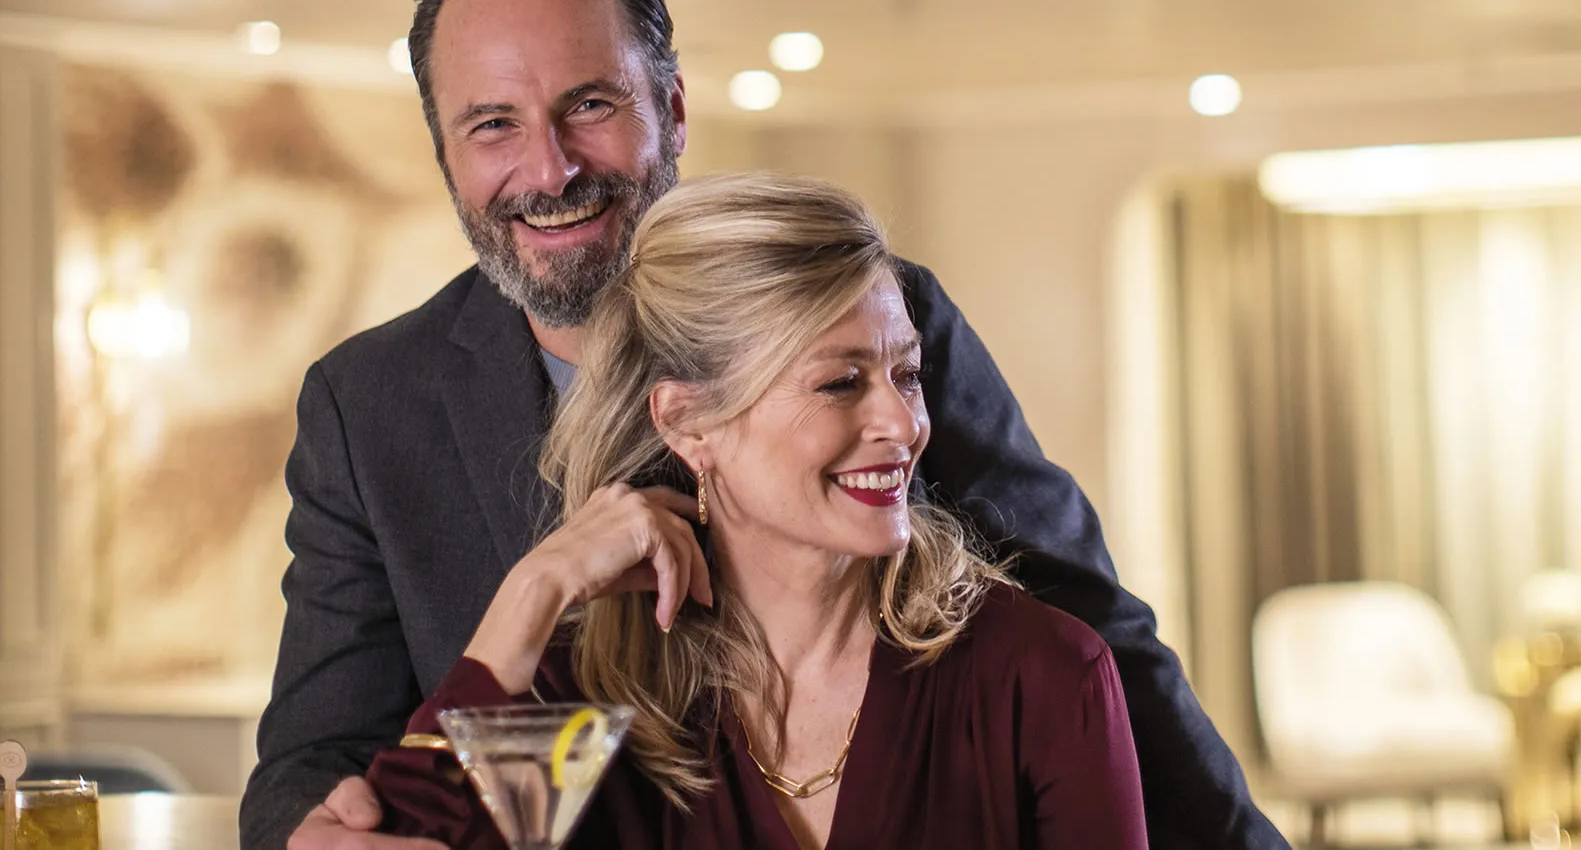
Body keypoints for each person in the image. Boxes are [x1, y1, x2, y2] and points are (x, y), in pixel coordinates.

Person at [240, 0, 1287, 850]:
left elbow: (1093, 647)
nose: (551, 168)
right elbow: (311, 753)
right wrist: (311, 833)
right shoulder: (366, 405)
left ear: (674, 109)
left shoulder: (880, 318)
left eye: (590, 103)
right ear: (444, 155)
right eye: (493, 125)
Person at [361, 172, 1149, 848]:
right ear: (687, 422)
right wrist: (535, 592)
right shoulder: (589, 707)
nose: (903, 425)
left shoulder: (1040, 674)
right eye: (840, 382)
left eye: (906, 376)